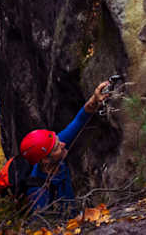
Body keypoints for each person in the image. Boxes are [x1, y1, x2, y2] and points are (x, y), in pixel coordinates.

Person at [19, 80, 114, 213]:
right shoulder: (38, 193)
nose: (63, 144)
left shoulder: (52, 151)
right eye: (57, 147)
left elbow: (80, 120)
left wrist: (95, 98)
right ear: (45, 160)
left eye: (59, 140)